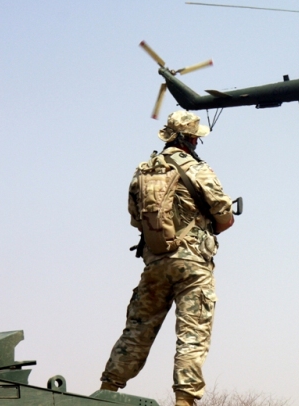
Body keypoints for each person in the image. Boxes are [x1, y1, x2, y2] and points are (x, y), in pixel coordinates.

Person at [100, 111, 235, 406]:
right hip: (193, 264)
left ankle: (107, 390)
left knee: (138, 328)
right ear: (191, 139)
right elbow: (224, 217)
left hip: (155, 263)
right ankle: (184, 400)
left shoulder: (143, 171)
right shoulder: (199, 169)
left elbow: (135, 219)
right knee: (192, 332)